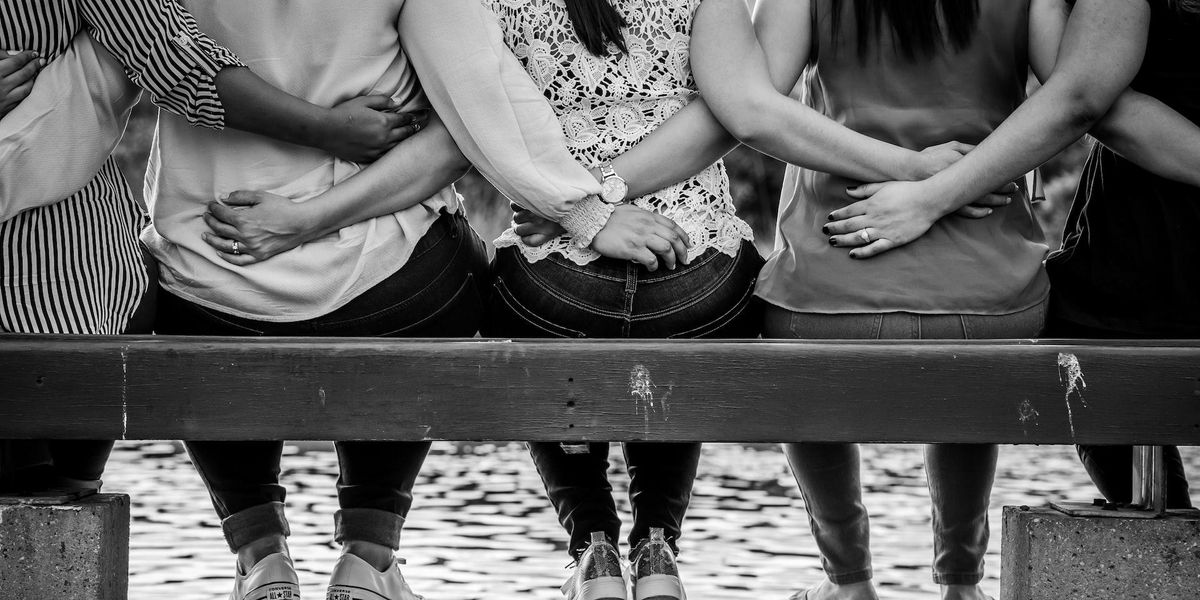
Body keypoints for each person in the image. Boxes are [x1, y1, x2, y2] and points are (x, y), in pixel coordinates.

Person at [691, 1, 1074, 599]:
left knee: (803, 372)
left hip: (828, 284)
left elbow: (754, 100)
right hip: (992, 291)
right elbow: (1076, 93)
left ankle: (849, 581)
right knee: (967, 380)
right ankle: (961, 583)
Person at [0, 0, 410, 496]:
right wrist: (332, 131)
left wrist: (330, 131)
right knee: (51, 513)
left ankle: (271, 551)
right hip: (61, 278)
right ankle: (289, 552)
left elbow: (171, 56)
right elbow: (169, 57)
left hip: (61, 276)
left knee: (53, 511)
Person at [812, 0, 1200, 509]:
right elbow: (1084, 96)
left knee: (1104, 391)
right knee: (1104, 391)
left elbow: (1084, 97)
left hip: (1142, 252)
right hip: (1142, 246)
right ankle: (958, 582)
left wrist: (929, 192)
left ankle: (864, 580)